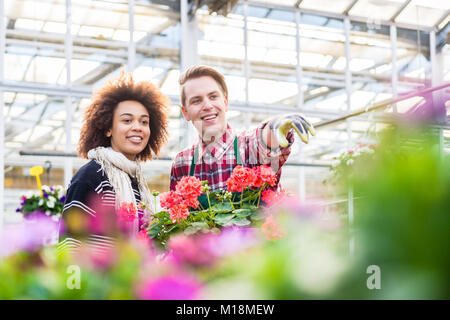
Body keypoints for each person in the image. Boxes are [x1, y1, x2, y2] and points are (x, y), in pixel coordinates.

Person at [57, 72, 169, 255]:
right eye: (127, 120)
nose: (137, 127)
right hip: (96, 281)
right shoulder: (92, 175)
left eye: (144, 121)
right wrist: (75, 283)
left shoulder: (137, 183)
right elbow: (68, 242)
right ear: (108, 128)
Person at [170, 65, 315, 196]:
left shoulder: (248, 146)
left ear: (225, 102)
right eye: (196, 100)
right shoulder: (182, 163)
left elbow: (264, 142)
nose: (207, 105)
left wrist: (275, 126)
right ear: (185, 112)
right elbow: (177, 217)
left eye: (213, 96)